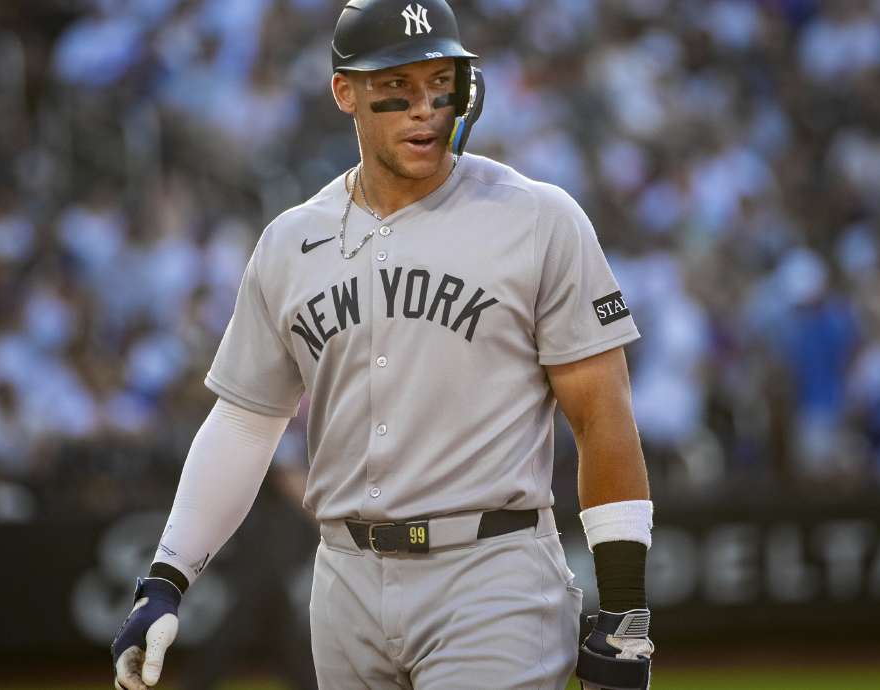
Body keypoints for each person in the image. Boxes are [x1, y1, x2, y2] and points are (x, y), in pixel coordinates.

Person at [112, 1, 655, 688]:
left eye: (441, 83)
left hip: (492, 574)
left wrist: (625, 608)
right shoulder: (290, 242)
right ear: (346, 93)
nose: (424, 108)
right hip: (343, 582)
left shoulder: (538, 218)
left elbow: (602, 414)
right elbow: (246, 421)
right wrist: (165, 579)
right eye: (397, 86)